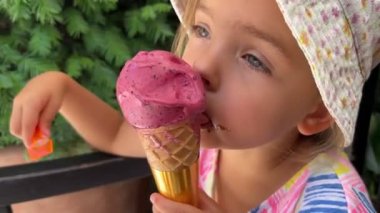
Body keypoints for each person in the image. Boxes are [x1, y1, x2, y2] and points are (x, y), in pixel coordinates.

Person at [9, 0, 380, 212]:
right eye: (202, 30)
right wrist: (63, 89)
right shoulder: (197, 134)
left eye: (253, 59)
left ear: (317, 111)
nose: (201, 68)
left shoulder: (336, 205)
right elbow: (117, 135)